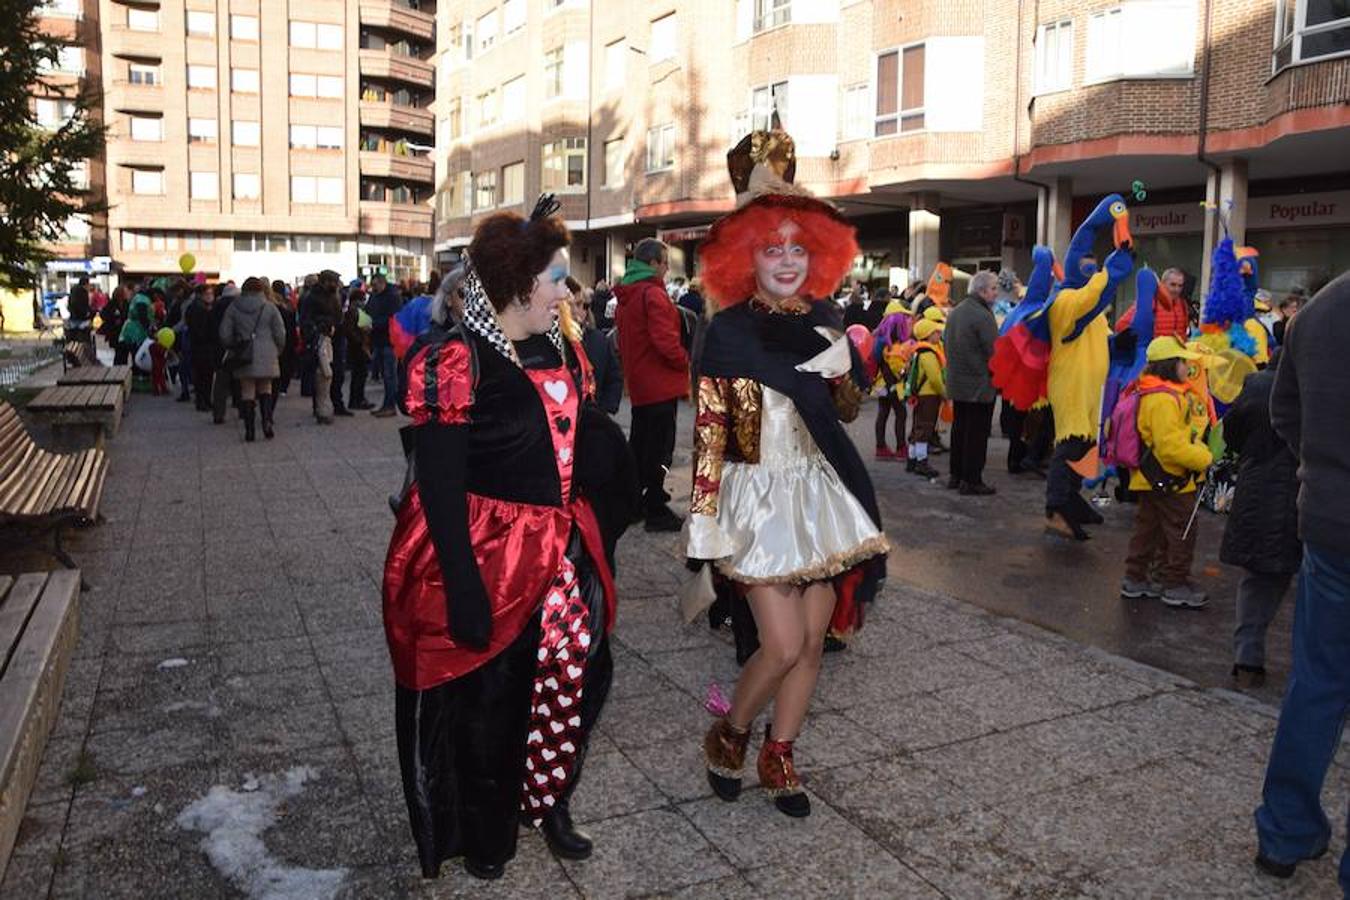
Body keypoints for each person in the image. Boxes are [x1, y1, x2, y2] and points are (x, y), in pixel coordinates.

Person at [383, 201, 625, 880]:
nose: (565, 290)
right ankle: (486, 835)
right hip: (495, 557)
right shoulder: (456, 362)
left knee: (573, 679)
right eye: (554, 277)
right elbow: (436, 484)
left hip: (566, 554)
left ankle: (550, 797)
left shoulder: (566, 351)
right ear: (517, 286)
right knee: (491, 705)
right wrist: (461, 586)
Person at [689, 126, 888, 818]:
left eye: (798, 248)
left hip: (819, 496)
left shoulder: (828, 317)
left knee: (809, 643)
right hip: (756, 499)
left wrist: (847, 373)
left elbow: (845, 413)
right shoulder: (728, 330)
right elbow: (711, 431)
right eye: (771, 248)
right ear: (747, 256)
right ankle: (731, 733)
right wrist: (704, 520)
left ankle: (781, 754)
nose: (786, 260)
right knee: (778, 642)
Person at [1254, 272, 1350, 895]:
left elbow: (1283, 412)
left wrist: (1324, 470)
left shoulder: (1321, 308)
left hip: (1330, 526)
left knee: (1316, 683)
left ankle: (1285, 833)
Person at [1218, 350, 1300, 689]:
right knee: (1323, 584)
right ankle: (1313, 672)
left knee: (1257, 580)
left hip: (1258, 488)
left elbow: (1232, 433)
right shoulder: (1321, 383)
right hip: (1306, 488)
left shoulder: (1256, 385)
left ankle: (1247, 659)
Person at [1119, 337, 1214, 608]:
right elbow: (1170, 447)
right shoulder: (1163, 398)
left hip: (1151, 477)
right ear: (1171, 364)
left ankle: (1136, 577)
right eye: (1184, 361)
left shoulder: (1153, 391)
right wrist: (1203, 457)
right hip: (1170, 478)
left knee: (1148, 529)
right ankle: (1175, 583)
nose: (1188, 366)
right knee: (1181, 529)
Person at [614, 237, 689, 532]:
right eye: (664, 263)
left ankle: (634, 503)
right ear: (652, 264)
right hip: (660, 385)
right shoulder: (653, 295)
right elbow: (665, 342)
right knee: (659, 451)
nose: (667, 269)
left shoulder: (627, 295)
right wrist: (686, 361)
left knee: (640, 447)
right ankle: (655, 507)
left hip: (641, 384)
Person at [944, 270, 1000, 495]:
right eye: (994, 288)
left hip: (958, 382)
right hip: (979, 385)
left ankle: (956, 475)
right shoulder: (983, 316)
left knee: (960, 430)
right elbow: (994, 353)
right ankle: (972, 479)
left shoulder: (956, 311)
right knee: (976, 434)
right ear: (982, 291)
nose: (996, 293)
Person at [218, 277, 286, 441]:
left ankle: (249, 430)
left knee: (247, 390)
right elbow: (280, 333)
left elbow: (224, 333)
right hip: (267, 353)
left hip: (243, 354)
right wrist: (277, 349)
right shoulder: (269, 307)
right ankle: (266, 423)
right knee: (266, 388)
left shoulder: (234, 307)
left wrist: (232, 346)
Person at [565, 277, 623, 415]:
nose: (575, 312)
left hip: (594, 416)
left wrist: (604, 408)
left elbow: (614, 376)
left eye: (580, 305)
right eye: (568, 305)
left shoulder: (599, 340)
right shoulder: (550, 343)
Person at [906, 313, 946, 480]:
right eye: (936, 332)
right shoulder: (928, 354)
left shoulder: (918, 351)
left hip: (920, 395)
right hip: (929, 395)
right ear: (928, 335)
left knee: (917, 426)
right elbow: (935, 378)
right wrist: (944, 392)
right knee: (925, 427)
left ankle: (912, 459)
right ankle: (922, 462)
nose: (939, 334)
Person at [304, 272, 342, 424]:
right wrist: (325, 324)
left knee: (328, 374)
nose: (337, 284)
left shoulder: (331, 296)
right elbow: (307, 320)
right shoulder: (314, 298)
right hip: (320, 338)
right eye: (334, 281)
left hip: (331, 337)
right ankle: (322, 409)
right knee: (323, 374)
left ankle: (325, 407)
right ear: (326, 282)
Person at [1114, 267, 1190, 339]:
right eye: (1173, 285)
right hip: (1154, 350)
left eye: (1180, 286)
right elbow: (1121, 326)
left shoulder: (1182, 304)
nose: (1177, 289)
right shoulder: (1150, 301)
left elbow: (1183, 332)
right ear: (1163, 284)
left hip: (1176, 351)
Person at [366, 273, 404, 417]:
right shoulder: (375, 296)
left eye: (375, 285)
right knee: (385, 373)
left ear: (382, 283)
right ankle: (386, 405)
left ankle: (390, 406)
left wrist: (373, 324)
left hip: (390, 340)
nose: (373, 288)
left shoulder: (393, 297)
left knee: (390, 375)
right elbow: (368, 310)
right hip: (378, 339)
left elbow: (393, 318)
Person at [185, 284, 218, 412]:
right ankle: (203, 401)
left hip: (199, 346)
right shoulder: (200, 309)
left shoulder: (196, 307)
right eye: (208, 294)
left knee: (203, 376)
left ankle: (204, 400)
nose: (211, 297)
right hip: (203, 346)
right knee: (204, 376)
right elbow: (202, 330)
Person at [343, 286, 372, 410]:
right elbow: (350, 330)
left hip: (359, 345)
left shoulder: (356, 311)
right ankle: (356, 400)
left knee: (361, 374)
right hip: (358, 347)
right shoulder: (353, 311)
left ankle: (359, 399)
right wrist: (360, 342)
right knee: (359, 375)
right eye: (362, 299)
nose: (363, 301)